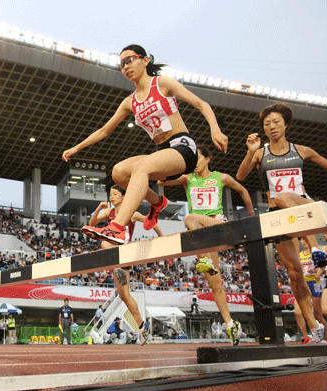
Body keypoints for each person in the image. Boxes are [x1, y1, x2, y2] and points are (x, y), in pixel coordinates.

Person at [63, 44, 228, 246]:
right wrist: (77, 147)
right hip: (163, 152)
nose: (126, 67)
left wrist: (215, 129)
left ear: (145, 60)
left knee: (141, 167)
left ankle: (118, 228)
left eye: (130, 60)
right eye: (122, 64)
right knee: (120, 173)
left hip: (183, 147)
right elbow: (104, 131)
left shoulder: (163, 83)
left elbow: (202, 104)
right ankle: (157, 203)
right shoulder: (129, 102)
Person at [236, 103, 327, 343]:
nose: (271, 127)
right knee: (295, 273)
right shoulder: (260, 152)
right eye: (267, 124)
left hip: (302, 205)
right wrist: (250, 151)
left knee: (284, 196)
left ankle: (314, 247)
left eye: (276, 122)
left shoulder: (301, 150)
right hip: (278, 217)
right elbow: (240, 176)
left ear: (285, 124)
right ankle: (314, 326)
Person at [159, 145, 254, 346]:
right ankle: (230, 325)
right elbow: (160, 181)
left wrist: (252, 217)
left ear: (208, 159)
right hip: (203, 234)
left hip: (217, 224)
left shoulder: (221, 177)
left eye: (197, 159)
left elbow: (243, 190)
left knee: (190, 218)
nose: (194, 164)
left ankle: (202, 259)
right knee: (214, 282)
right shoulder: (187, 178)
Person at [87, 185, 163, 344]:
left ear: (123, 196)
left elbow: (151, 221)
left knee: (104, 244)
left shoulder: (133, 213)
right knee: (124, 295)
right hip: (116, 257)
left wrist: (162, 237)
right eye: (110, 194)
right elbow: (92, 223)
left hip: (125, 253)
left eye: (115, 194)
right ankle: (143, 327)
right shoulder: (109, 212)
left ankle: (116, 268)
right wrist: (99, 208)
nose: (112, 197)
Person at [293, 238, 327, 346]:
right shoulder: (299, 254)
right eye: (302, 240)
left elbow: (323, 267)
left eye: (305, 239)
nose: (304, 242)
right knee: (297, 312)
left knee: (317, 314)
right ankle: (306, 337)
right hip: (302, 284)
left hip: (315, 283)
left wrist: (316, 272)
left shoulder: (316, 252)